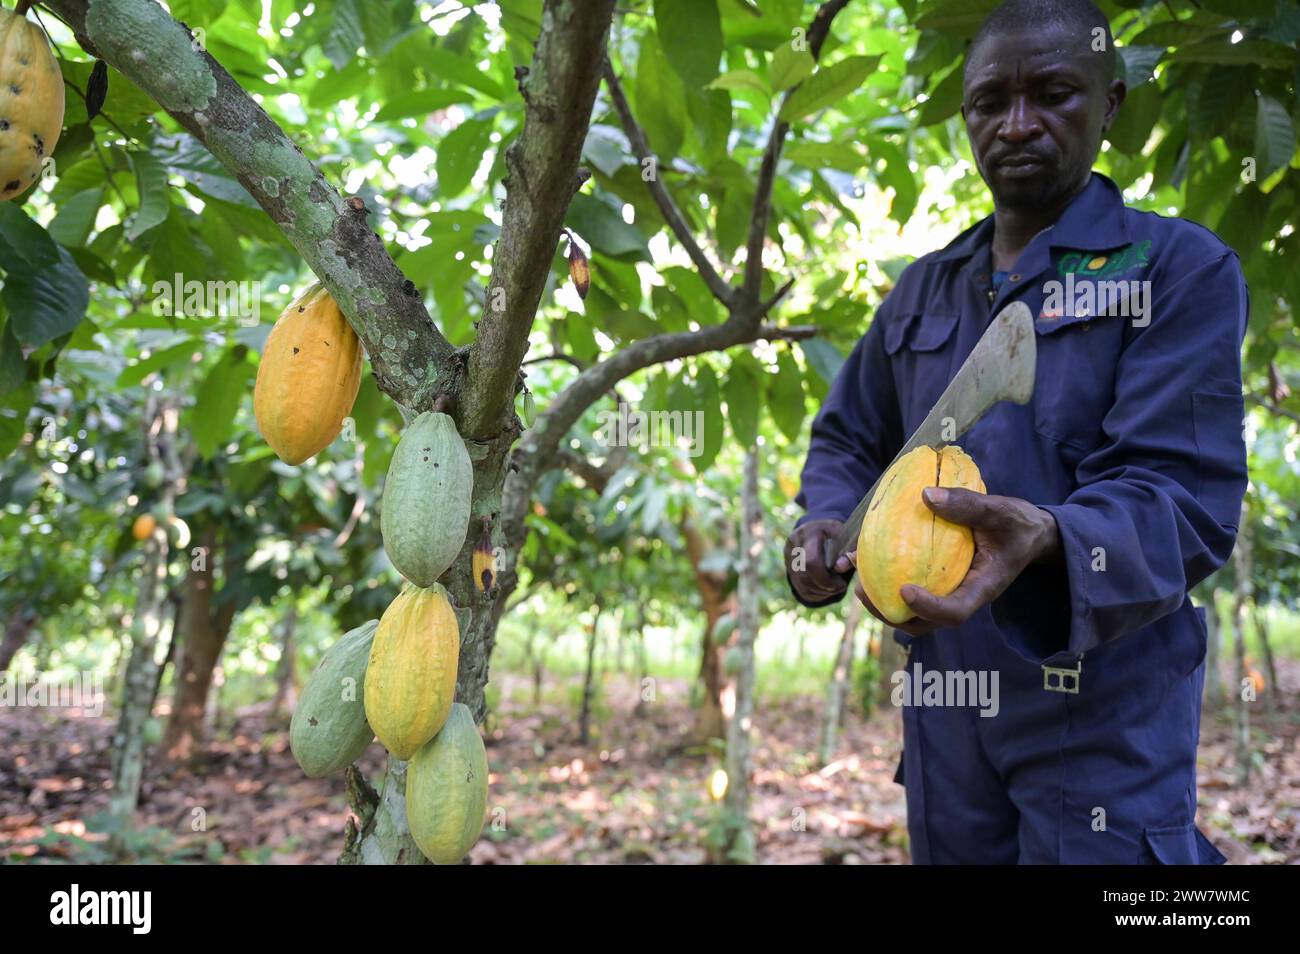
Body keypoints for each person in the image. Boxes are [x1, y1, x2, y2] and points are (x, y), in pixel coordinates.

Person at [785, 0, 1248, 864]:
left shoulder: (1178, 270)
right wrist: (824, 525)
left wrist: (1049, 538)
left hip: (1103, 711)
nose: (1018, 123)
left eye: (1055, 94)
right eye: (990, 101)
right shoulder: (923, 292)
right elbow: (849, 439)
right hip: (947, 703)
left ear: (1110, 103)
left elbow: (1184, 498)